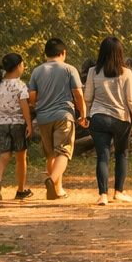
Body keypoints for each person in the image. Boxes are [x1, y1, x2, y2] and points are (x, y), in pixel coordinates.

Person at [85, 36, 132, 206]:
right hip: (121, 119)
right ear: (120, 53)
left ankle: (103, 195)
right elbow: (131, 99)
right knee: (121, 154)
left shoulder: (93, 71)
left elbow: (88, 97)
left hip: (99, 118)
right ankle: (119, 191)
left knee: (102, 156)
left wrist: (86, 116)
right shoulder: (126, 73)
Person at [26, 38, 88, 200]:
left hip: (43, 117)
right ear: (63, 53)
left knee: (50, 155)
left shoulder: (37, 71)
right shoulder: (69, 69)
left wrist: (39, 103)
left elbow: (32, 97)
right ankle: (52, 180)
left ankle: (57, 189)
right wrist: (83, 113)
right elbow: (78, 93)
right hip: (63, 115)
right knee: (64, 152)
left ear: (46, 53)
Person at [0, 53, 34, 201]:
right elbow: (24, 106)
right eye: (23, 64)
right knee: (21, 157)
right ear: (18, 66)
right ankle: (21, 190)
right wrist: (29, 124)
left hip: (2, 124)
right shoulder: (20, 85)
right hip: (17, 124)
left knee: (4, 156)